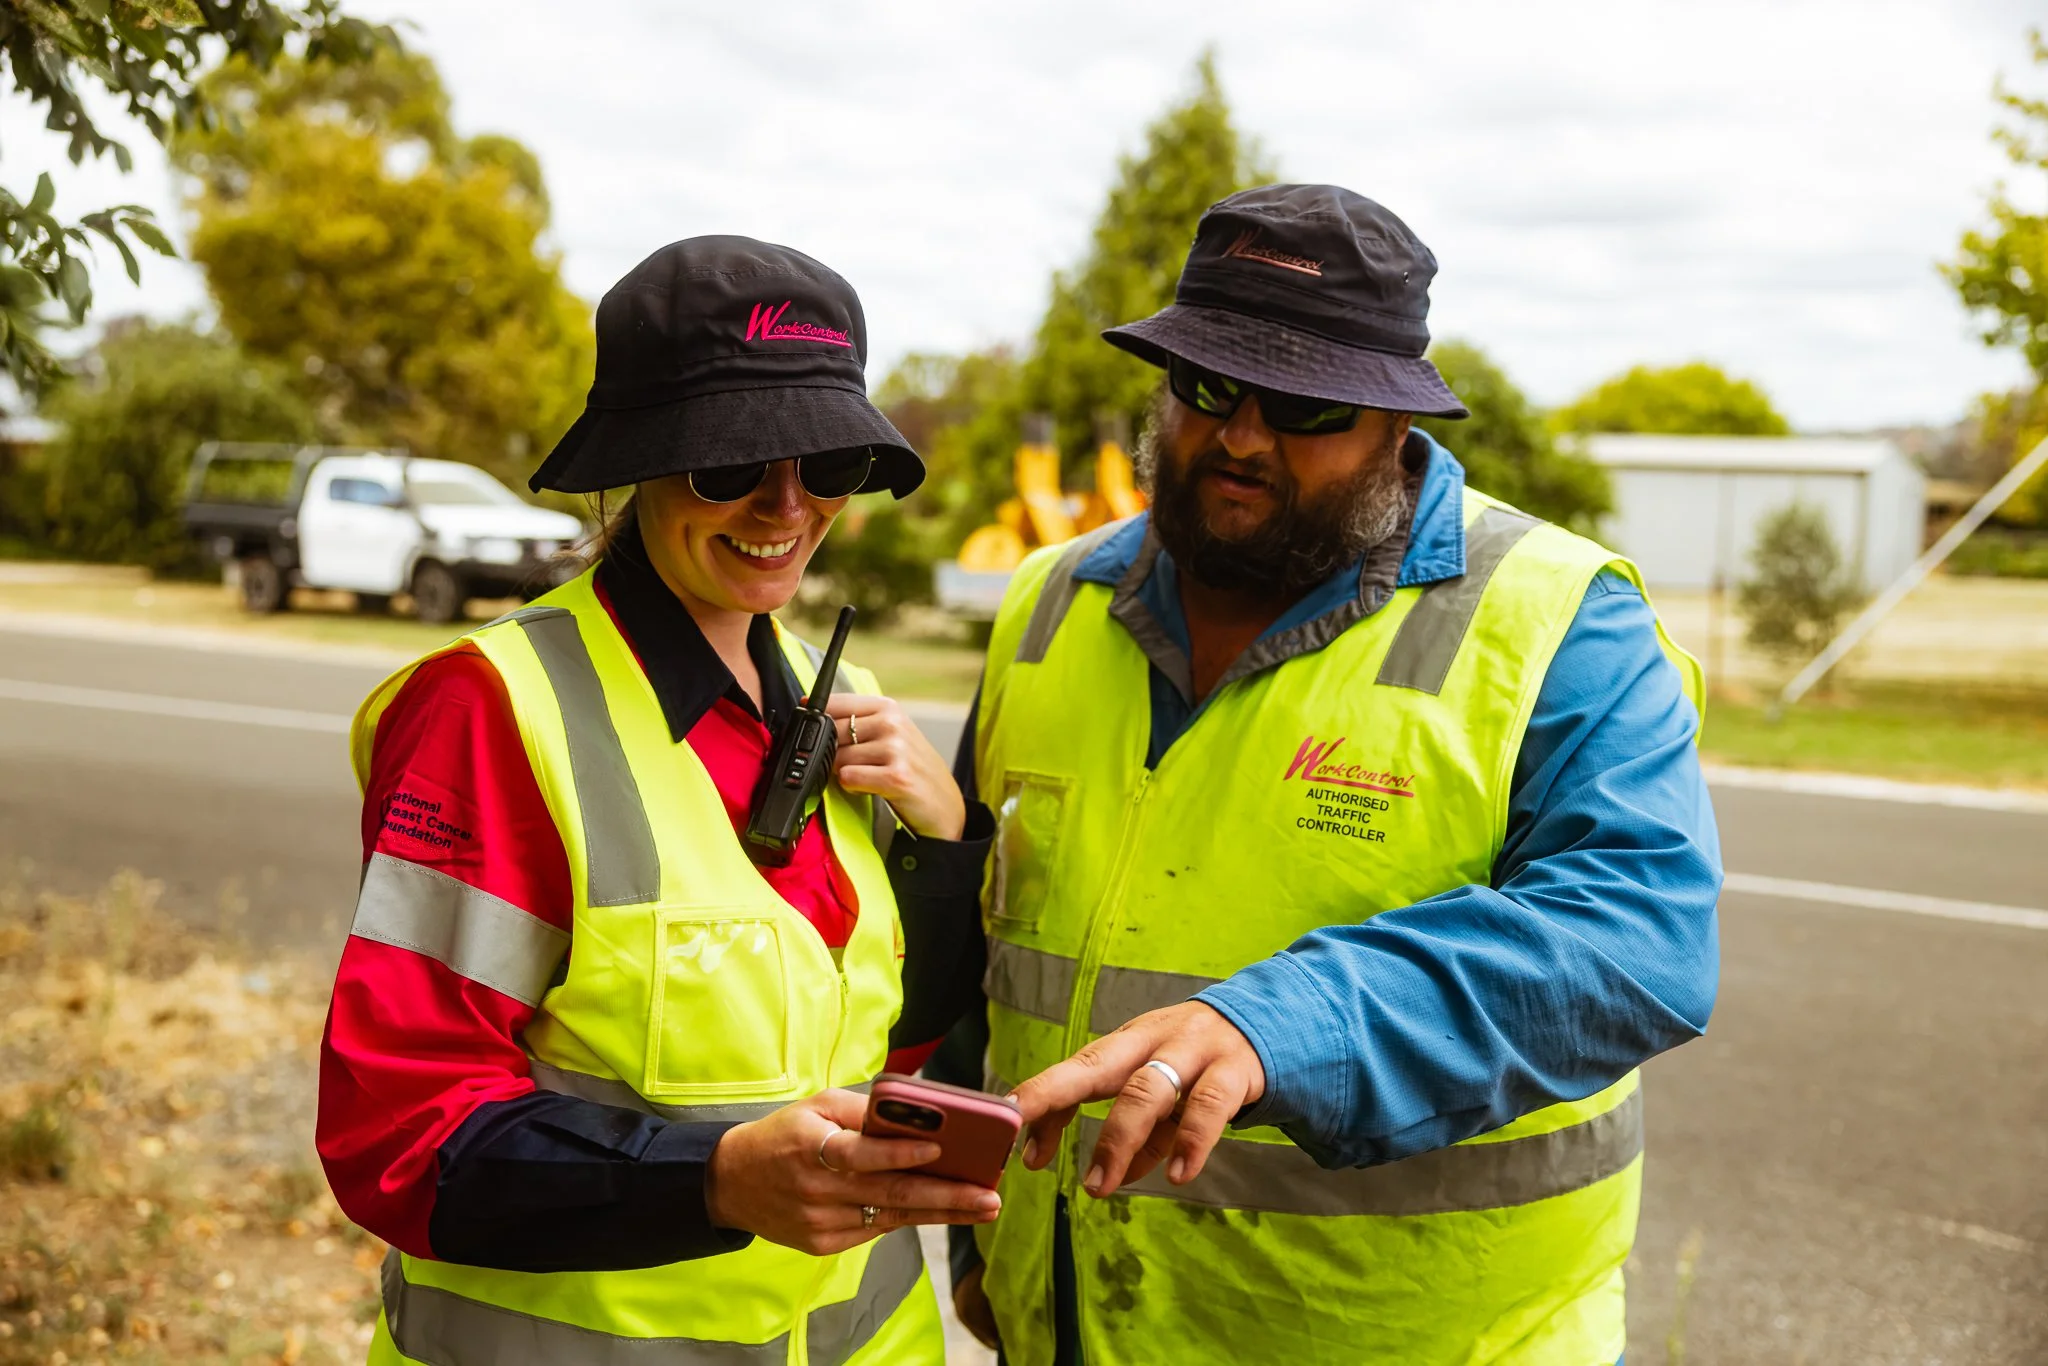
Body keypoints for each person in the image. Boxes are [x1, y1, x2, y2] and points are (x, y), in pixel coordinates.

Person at [939, 184, 1723, 1363]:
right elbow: (984, 949)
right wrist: (984, 1238)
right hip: (1077, 1323)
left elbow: (1637, 938)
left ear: (1394, 425)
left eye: (1303, 405)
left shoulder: (1558, 621)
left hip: (1421, 1337)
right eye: (1207, 388)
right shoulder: (1045, 605)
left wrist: (1281, 1023)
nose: (1241, 437)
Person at [317, 236, 998, 1366]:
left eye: (824, 461)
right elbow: (396, 1131)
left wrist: (945, 843)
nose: (786, 506)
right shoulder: (492, 713)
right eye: (731, 464)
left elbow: (896, 1043)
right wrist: (717, 1182)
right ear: (638, 466)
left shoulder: (854, 711)